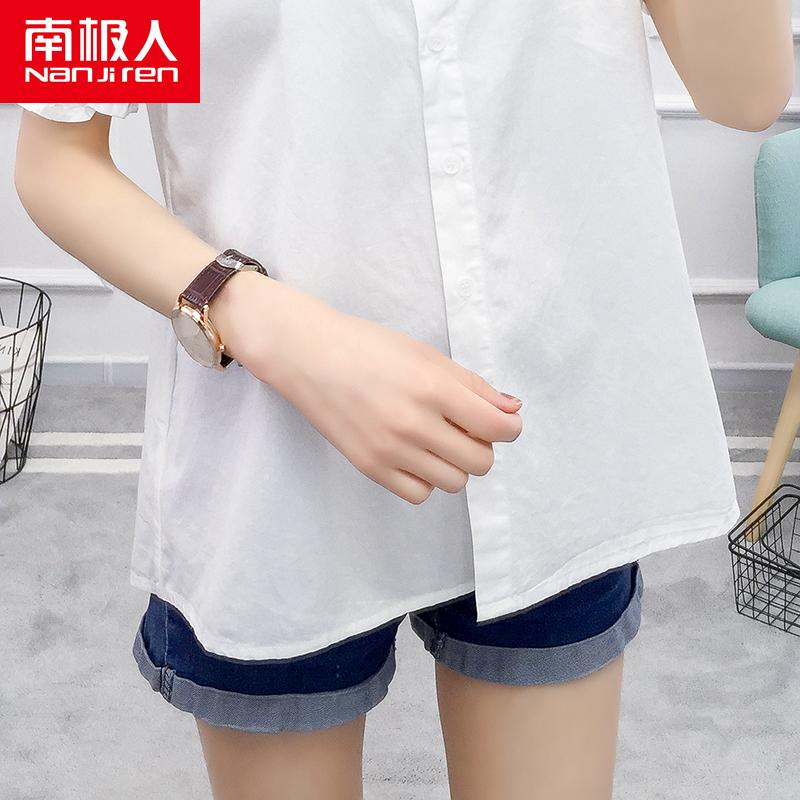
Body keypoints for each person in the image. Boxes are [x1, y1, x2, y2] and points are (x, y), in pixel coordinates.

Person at [14, 1, 793, 798]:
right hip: (275, 459)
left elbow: (747, 94)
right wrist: (280, 329)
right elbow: (59, 164)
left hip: (548, 437)